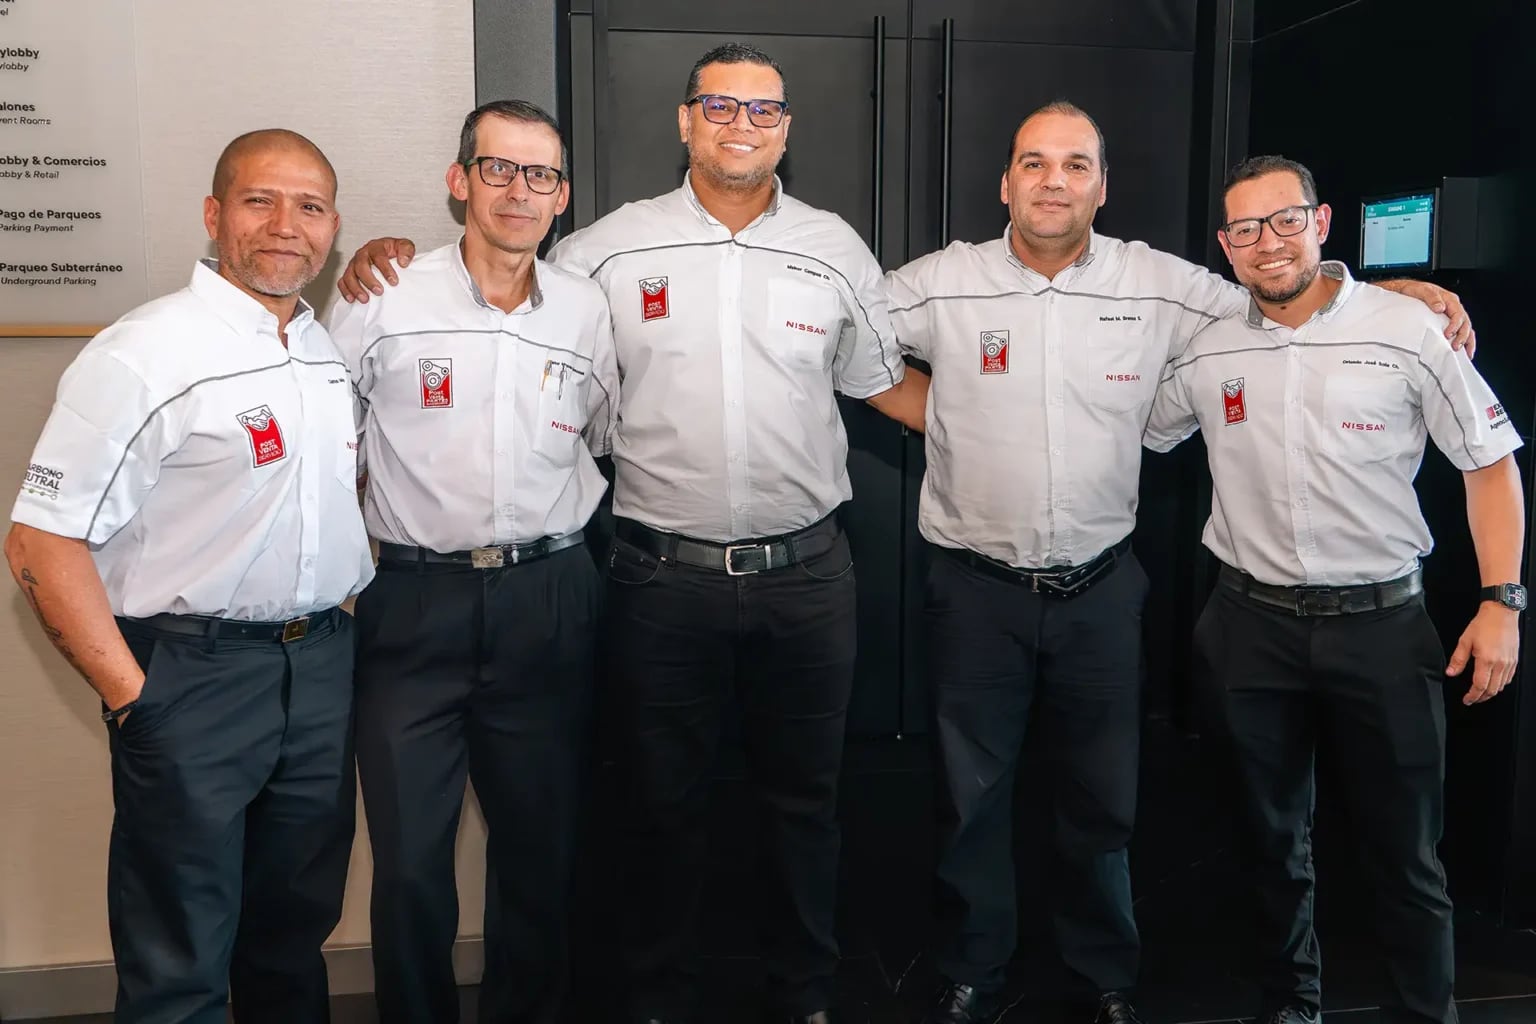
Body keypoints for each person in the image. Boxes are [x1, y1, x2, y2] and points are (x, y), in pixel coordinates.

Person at [336, 44, 927, 1024]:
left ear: (786, 128)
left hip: (808, 574)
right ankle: (656, 998)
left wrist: (1021, 434)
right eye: (721, 106)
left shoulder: (834, 247)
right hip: (660, 580)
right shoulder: (600, 256)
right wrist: (376, 264)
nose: (743, 124)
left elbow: (881, 382)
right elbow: (532, 356)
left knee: (808, 805)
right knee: (657, 808)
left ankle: (806, 994)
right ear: (685, 121)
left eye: (764, 110)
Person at [883, 102, 1474, 1024]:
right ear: (1005, 183)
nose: (1053, 181)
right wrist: (942, 416)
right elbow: (846, 342)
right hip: (975, 588)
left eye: (1076, 164)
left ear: (1102, 186)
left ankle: (1107, 976)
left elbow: (1280, 290)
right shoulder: (938, 283)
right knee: (970, 800)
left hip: (1101, 590)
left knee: (1104, 799)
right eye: (1033, 163)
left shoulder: (1161, 282)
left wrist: (1403, 292)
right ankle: (973, 968)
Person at [1144, 155, 1524, 1024]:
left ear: (1320, 224)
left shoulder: (1406, 328)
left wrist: (1503, 601)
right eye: (1245, 228)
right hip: (1247, 626)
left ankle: (1427, 1014)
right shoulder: (1209, 343)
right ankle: (1293, 1006)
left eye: (1285, 221)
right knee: (1271, 843)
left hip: (1382, 629)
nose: (1266, 242)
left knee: (1406, 855)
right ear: (1225, 247)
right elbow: (1137, 424)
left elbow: (1490, 464)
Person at [4, 129, 372, 1024]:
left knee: (291, 935)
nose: (287, 227)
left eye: (310, 207)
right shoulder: (146, 351)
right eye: (260, 201)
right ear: (214, 215)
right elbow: (40, 542)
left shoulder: (321, 350)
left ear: (332, 228)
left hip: (318, 673)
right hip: (194, 680)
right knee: (181, 957)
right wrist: (136, 700)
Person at [324, 99, 616, 1024]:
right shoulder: (382, 294)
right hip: (416, 605)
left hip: (550, 598)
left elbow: (604, 436)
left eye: (540, 175)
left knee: (541, 852)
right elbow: (328, 440)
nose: (519, 191)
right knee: (410, 864)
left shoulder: (586, 308)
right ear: (460, 182)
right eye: (498, 169)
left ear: (562, 195)